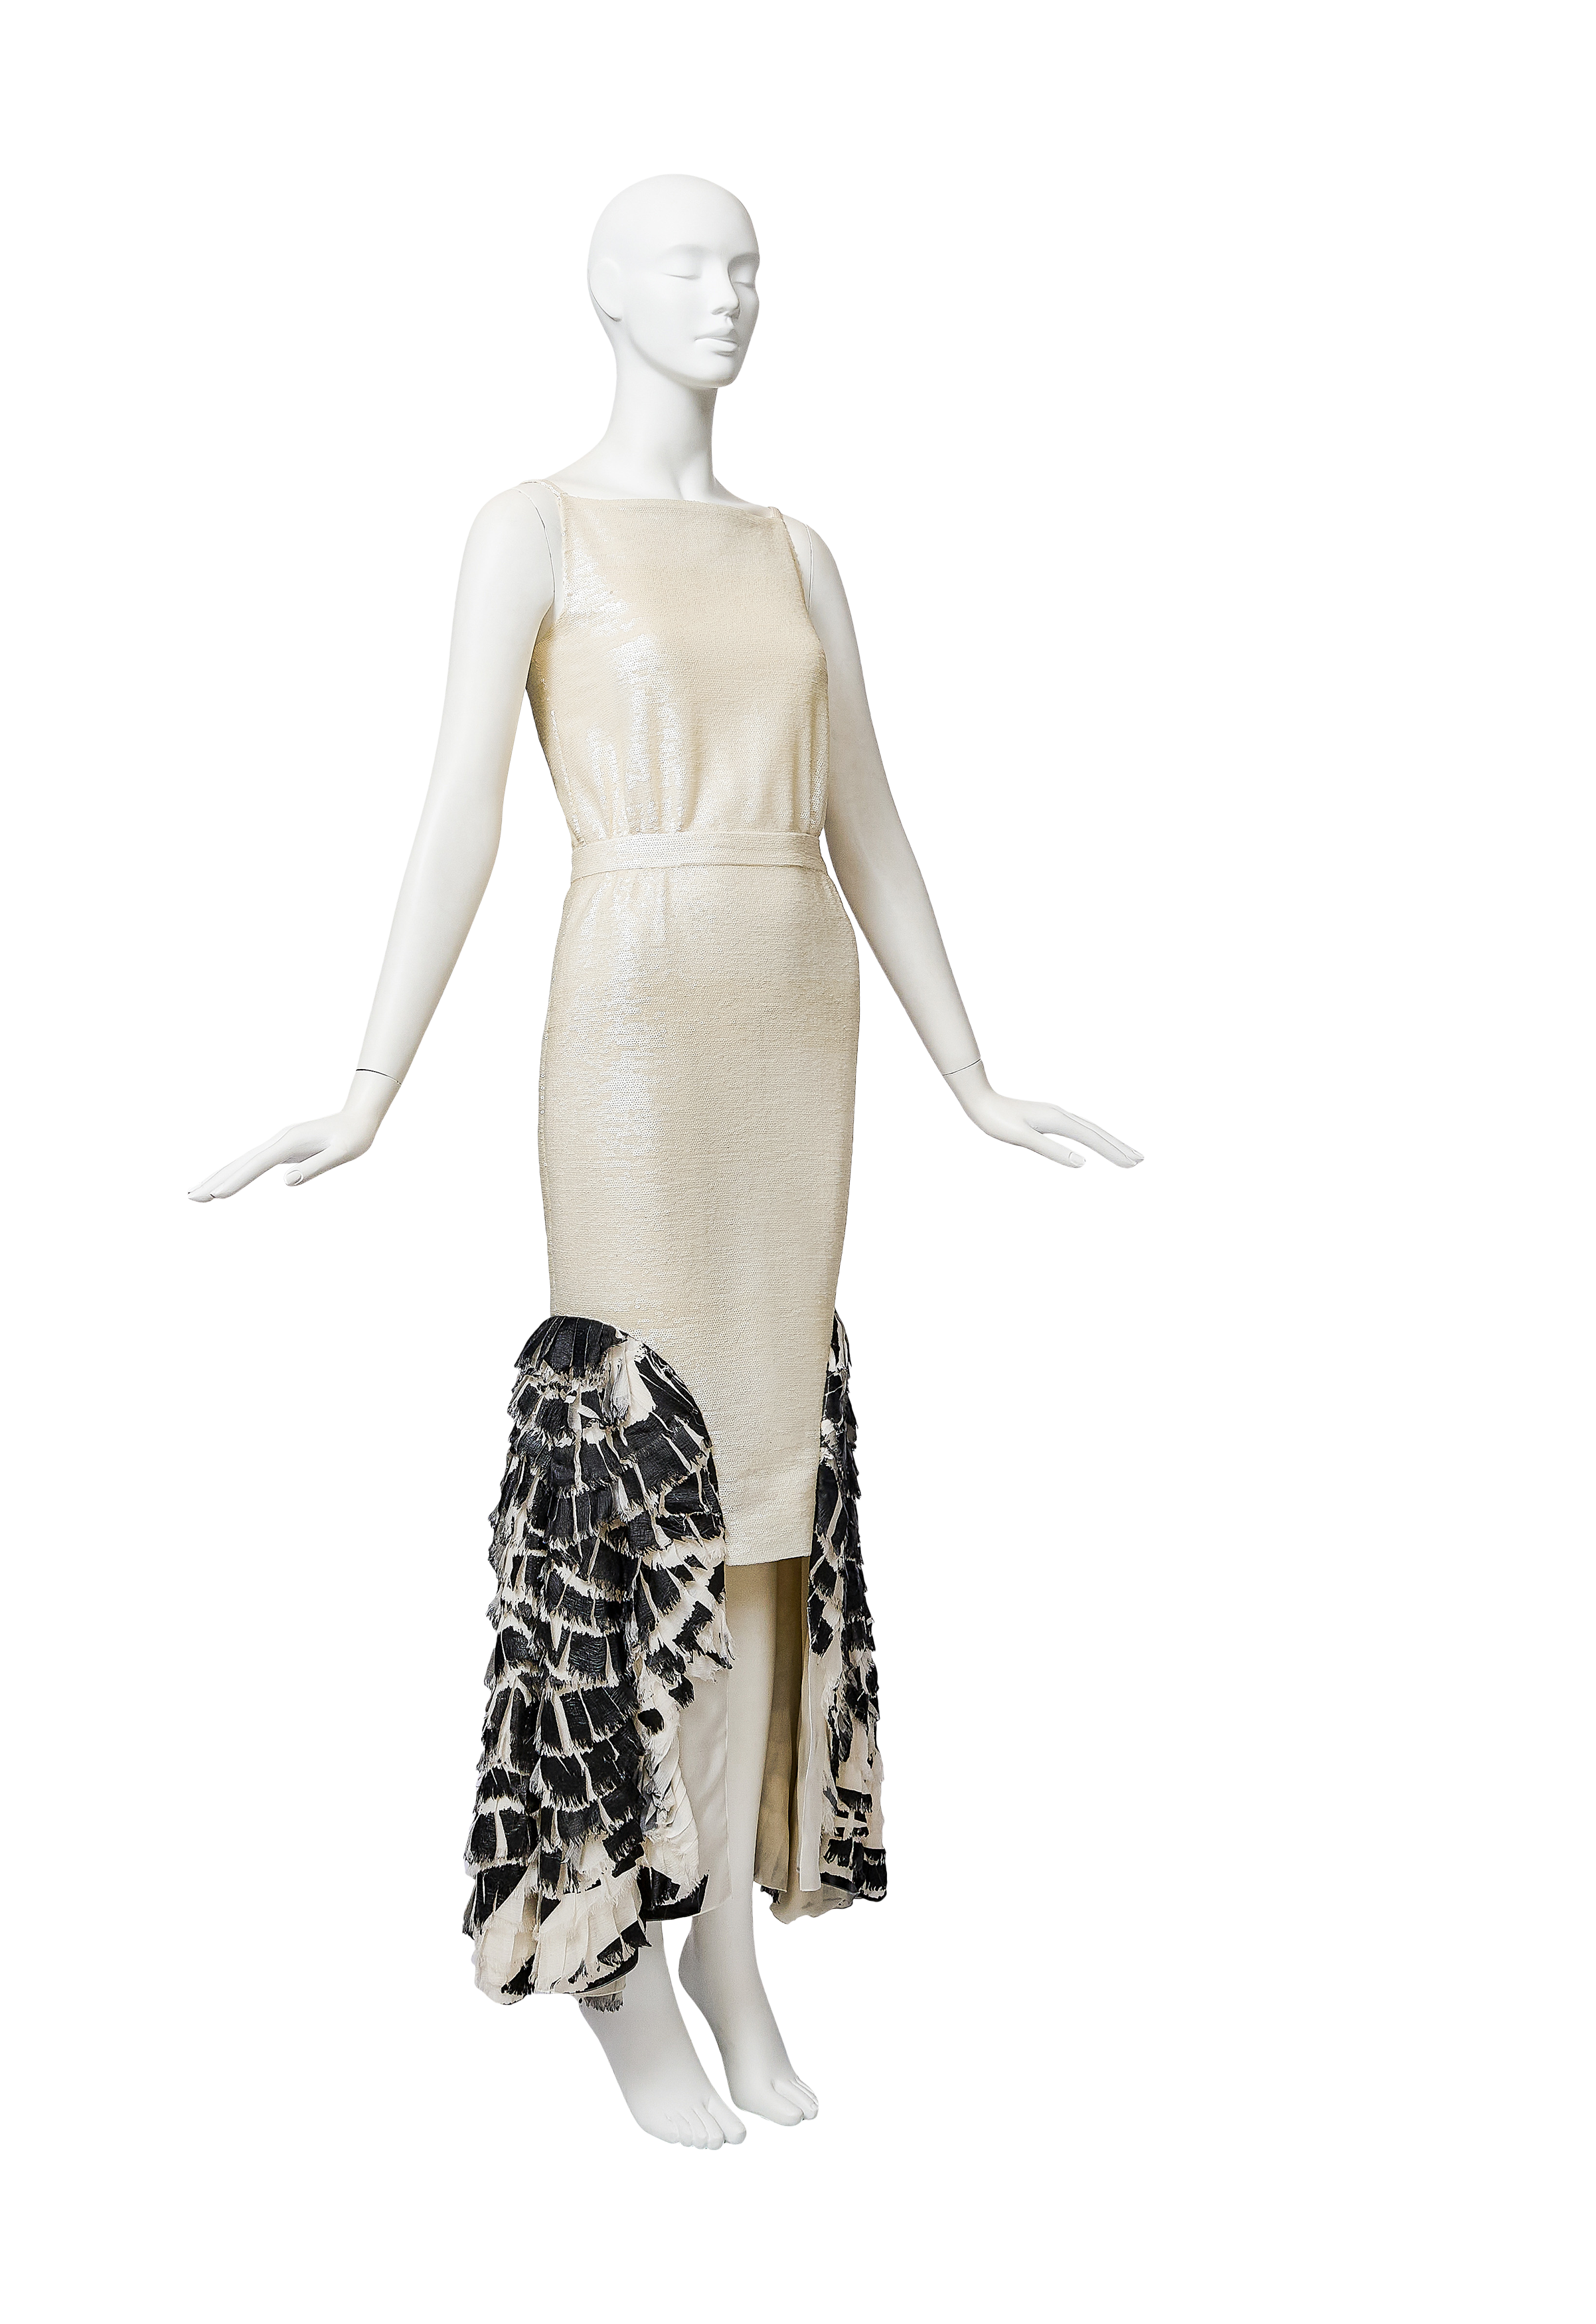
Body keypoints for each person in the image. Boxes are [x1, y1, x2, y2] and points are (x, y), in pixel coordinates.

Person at [190, 173, 1140, 2149]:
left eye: (750, 266)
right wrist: (367, 1089)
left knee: (770, 1519)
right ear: (609, 293)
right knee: (641, 1503)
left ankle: (731, 1964)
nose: (732, 294)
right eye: (693, 264)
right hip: (631, 1028)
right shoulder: (533, 529)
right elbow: (462, 811)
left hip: (796, 1043)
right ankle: (620, 1986)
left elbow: (866, 818)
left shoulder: (797, 552)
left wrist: (973, 1077)